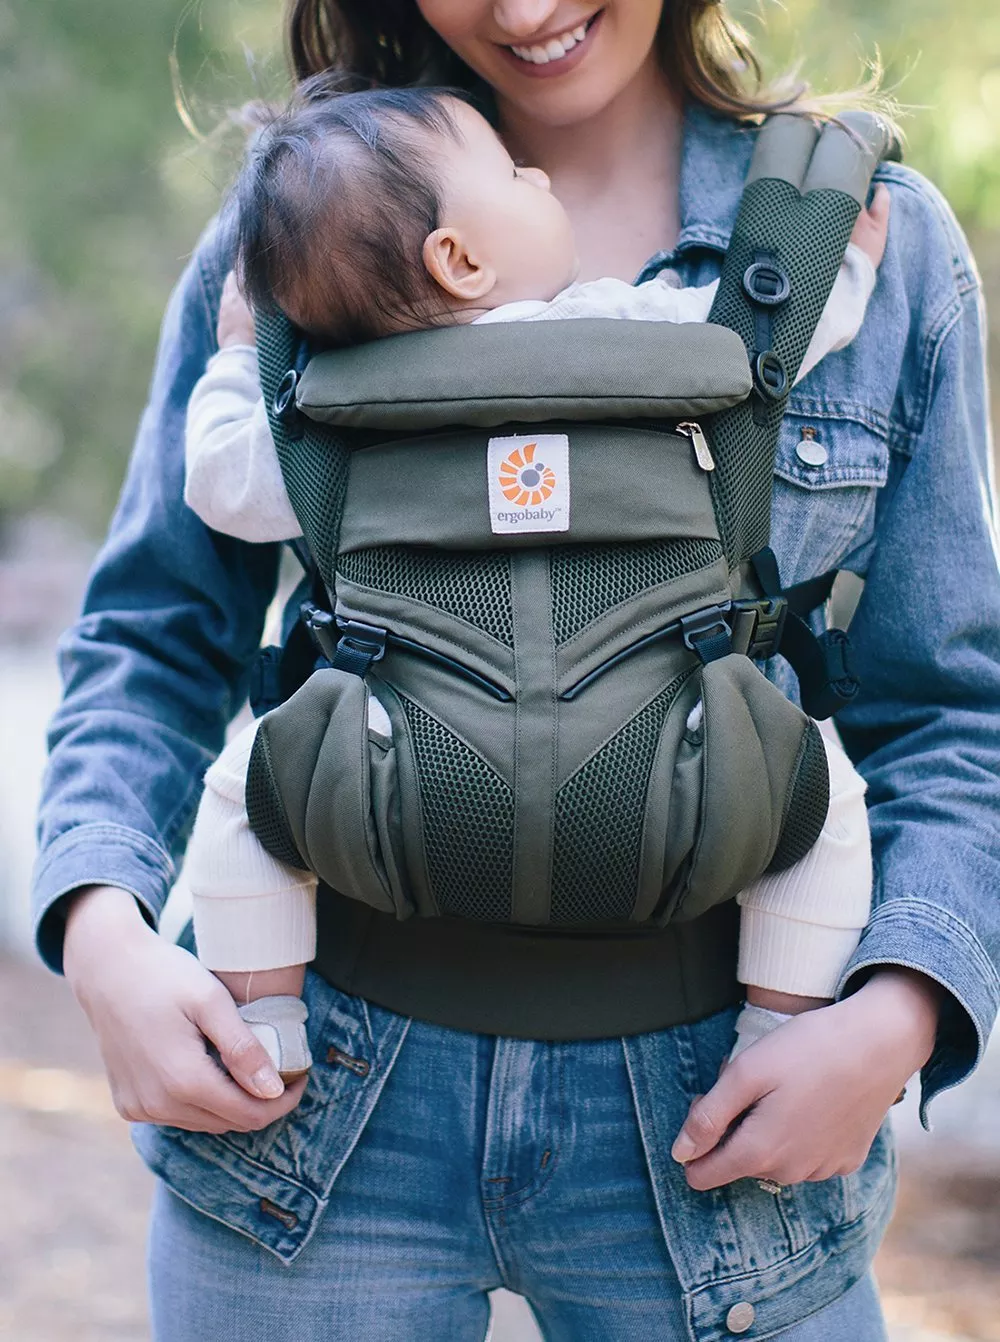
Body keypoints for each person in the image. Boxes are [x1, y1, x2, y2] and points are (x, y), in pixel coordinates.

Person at [34, 2, 1000, 1339]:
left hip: (720, 1113)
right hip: (313, 1124)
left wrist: (897, 1008)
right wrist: (101, 931)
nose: (527, 9)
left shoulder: (859, 236)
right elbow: (153, 634)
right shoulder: (306, 226)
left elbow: (952, 709)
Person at [181, 84, 885, 1082]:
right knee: (817, 787)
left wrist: (239, 355)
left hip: (394, 776)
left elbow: (218, 478)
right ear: (460, 258)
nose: (538, 172)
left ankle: (263, 1026)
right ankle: (780, 1030)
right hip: (678, 761)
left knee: (244, 791)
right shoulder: (632, 330)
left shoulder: (328, 421)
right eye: (509, 174)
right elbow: (780, 335)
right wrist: (843, 258)